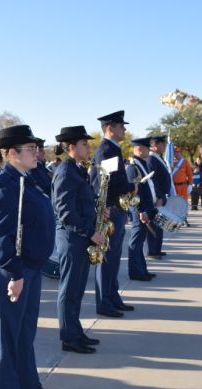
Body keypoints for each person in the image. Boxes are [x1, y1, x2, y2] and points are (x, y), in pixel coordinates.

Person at [0, 125, 58, 389]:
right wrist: (14, 274)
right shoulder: (4, 185)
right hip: (15, 269)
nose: (37, 153)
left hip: (31, 266)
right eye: (30, 149)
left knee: (26, 330)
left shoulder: (26, 179)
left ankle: (28, 382)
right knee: (10, 333)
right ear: (11, 154)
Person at [52, 125, 104, 354]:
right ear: (71, 147)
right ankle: (68, 337)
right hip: (72, 237)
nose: (88, 146)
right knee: (69, 288)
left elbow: (80, 202)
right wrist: (90, 232)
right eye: (84, 143)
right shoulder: (65, 171)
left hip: (80, 236)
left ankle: (76, 331)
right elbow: (64, 211)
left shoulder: (77, 169)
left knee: (78, 288)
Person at [89, 110, 135, 317]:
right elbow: (104, 184)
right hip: (109, 209)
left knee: (114, 257)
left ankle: (112, 296)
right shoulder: (106, 150)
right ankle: (104, 301)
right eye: (121, 126)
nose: (124, 129)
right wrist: (129, 186)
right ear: (110, 127)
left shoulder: (112, 149)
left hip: (116, 208)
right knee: (107, 258)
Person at [126, 137, 159, 282]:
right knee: (136, 242)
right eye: (147, 147)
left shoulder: (142, 164)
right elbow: (134, 193)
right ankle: (135, 272)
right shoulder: (133, 167)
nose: (149, 150)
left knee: (140, 242)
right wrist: (140, 211)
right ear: (139, 149)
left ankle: (142, 269)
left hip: (146, 208)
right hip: (140, 210)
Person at [146, 135, 170, 259]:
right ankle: (152, 251)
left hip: (162, 196)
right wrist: (159, 197)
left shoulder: (158, 158)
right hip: (157, 198)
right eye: (163, 144)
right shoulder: (151, 159)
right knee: (154, 224)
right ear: (155, 145)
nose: (165, 146)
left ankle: (157, 249)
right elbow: (153, 181)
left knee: (160, 224)